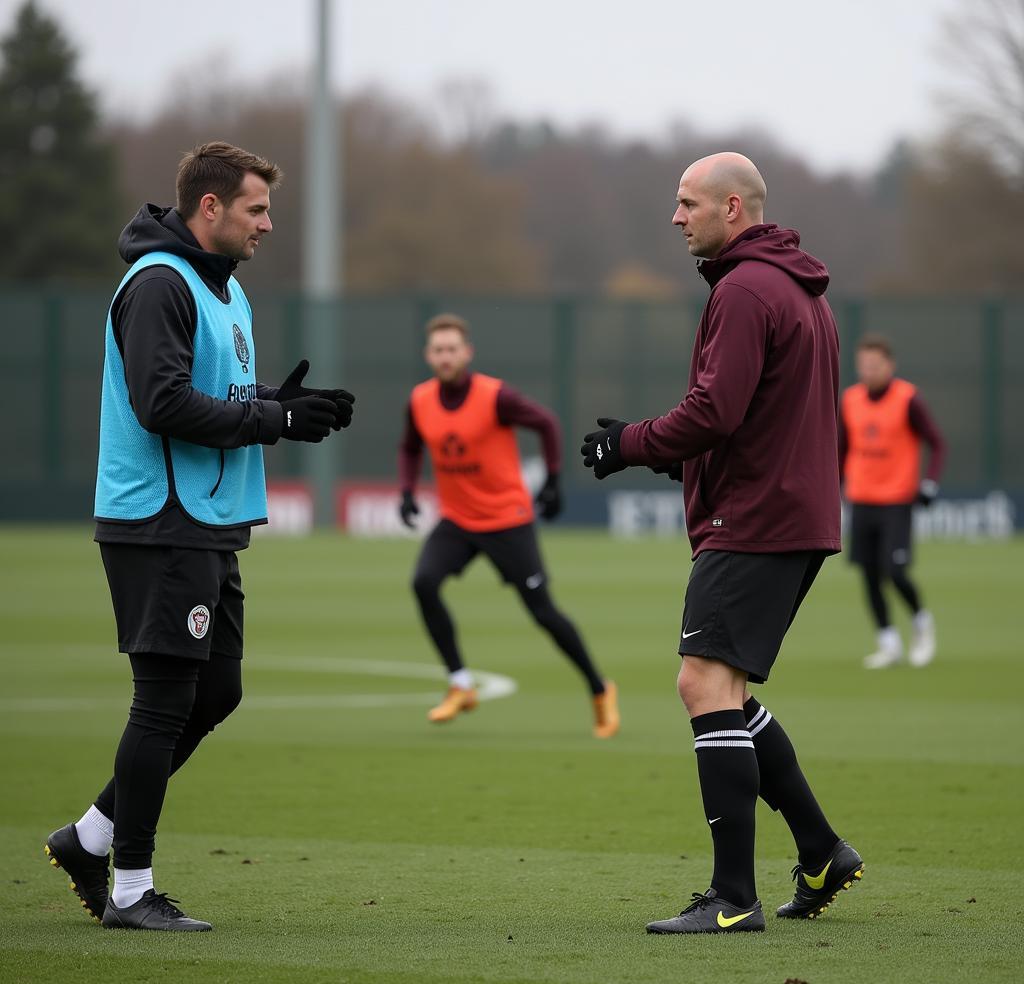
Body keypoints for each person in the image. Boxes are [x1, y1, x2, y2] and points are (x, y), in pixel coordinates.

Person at [44, 141, 355, 932]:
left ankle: (89, 840)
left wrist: (281, 404)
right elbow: (162, 403)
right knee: (162, 704)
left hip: (208, 523)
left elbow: (214, 393)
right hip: (160, 522)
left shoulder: (225, 290)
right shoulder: (158, 283)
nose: (269, 224)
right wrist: (270, 419)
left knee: (217, 691)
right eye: (256, 209)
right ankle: (129, 890)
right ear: (208, 208)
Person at [581, 152, 863, 934]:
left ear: (732, 207)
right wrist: (681, 462)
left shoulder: (743, 289)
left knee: (702, 687)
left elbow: (715, 409)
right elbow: (761, 417)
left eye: (687, 203)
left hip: (757, 521)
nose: (676, 217)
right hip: (787, 513)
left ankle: (732, 899)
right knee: (726, 692)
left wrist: (630, 443)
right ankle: (820, 850)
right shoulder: (798, 289)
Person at [399, 313, 619, 738]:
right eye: (438, 350)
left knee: (543, 612)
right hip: (458, 521)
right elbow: (409, 447)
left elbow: (547, 424)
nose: (445, 357)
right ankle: (460, 684)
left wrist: (553, 480)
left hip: (506, 521)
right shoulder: (420, 400)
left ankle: (599, 689)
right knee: (424, 582)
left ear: (467, 353)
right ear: (429, 355)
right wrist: (407, 490)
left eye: (452, 349)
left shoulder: (494, 396)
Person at [840, 334, 946, 669]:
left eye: (875, 365)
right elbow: (841, 449)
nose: (869, 371)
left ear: (890, 365)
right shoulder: (850, 400)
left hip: (897, 499)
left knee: (895, 571)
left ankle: (921, 622)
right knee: (869, 574)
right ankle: (888, 642)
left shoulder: (907, 398)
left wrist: (929, 483)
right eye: (864, 365)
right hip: (861, 499)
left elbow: (937, 443)